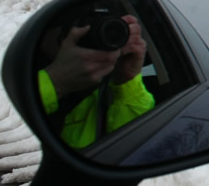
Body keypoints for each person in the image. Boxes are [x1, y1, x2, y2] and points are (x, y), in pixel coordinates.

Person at [37, 14, 155, 149]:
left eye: (111, 29)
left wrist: (127, 79)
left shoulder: (108, 93)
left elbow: (134, 144)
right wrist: (55, 82)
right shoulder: (23, 71)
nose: (80, 32)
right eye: (66, 26)